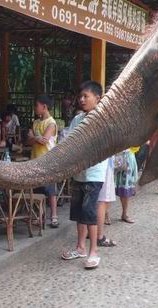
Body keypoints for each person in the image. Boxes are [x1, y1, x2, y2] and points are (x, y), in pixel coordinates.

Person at [61, 81, 108, 269]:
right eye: (80, 96)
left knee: (89, 211)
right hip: (78, 173)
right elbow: (70, 142)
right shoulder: (77, 120)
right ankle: (80, 247)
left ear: (98, 98)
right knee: (79, 211)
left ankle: (94, 251)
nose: (81, 100)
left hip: (94, 174)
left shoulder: (104, 121)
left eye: (85, 96)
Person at [27, 94, 59, 228]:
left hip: (48, 161)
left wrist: (33, 137)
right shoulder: (36, 122)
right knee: (38, 190)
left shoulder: (51, 123)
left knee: (50, 190)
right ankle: (40, 216)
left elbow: (43, 141)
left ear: (44, 107)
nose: (35, 108)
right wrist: (35, 138)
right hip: (35, 160)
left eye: (36, 106)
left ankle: (54, 216)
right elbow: (29, 140)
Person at [97, 156, 117, 247]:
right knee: (103, 201)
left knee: (94, 199)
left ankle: (90, 231)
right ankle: (100, 236)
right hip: (103, 166)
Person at [115, 149, 138, 223]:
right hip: (114, 156)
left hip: (128, 156)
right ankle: (105, 214)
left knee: (126, 188)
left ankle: (124, 214)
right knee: (108, 188)